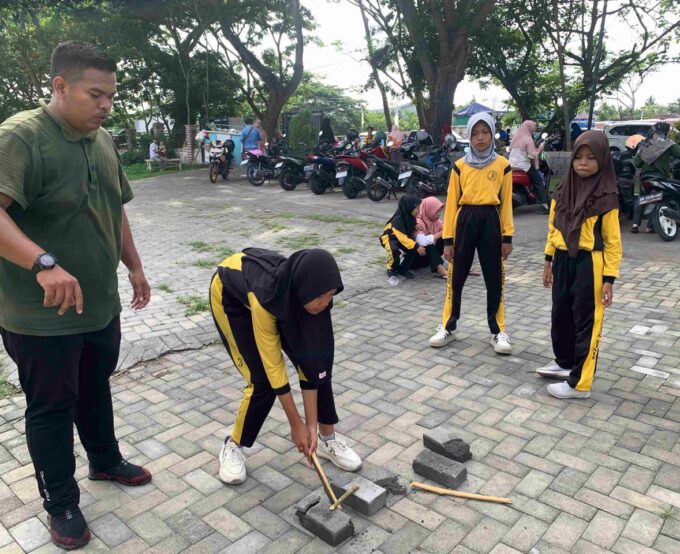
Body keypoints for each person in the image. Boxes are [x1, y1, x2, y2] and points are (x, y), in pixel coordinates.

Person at [0, 41, 151, 550]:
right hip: (39, 316)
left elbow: (116, 207)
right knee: (50, 408)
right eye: (95, 95)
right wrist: (42, 263)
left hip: (99, 304)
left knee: (96, 386)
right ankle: (60, 502)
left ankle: (105, 461)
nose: (106, 105)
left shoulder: (102, 140)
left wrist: (134, 266)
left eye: (111, 95)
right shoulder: (21, 138)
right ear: (60, 87)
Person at [210, 248, 362, 484]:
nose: (326, 302)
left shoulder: (317, 300)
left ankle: (326, 439)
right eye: (321, 296)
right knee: (262, 381)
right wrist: (296, 425)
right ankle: (232, 445)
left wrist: (311, 425)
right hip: (231, 296)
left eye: (331, 295)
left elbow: (312, 366)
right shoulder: (265, 298)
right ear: (305, 290)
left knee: (319, 366)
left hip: (287, 301)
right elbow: (274, 368)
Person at [537, 131, 622, 399]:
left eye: (591, 158)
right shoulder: (563, 190)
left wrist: (609, 278)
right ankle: (564, 363)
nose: (583, 163)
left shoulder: (606, 197)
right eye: (579, 157)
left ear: (603, 161)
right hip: (562, 259)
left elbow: (612, 241)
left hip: (590, 263)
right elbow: (553, 229)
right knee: (560, 316)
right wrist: (548, 259)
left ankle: (580, 384)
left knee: (587, 321)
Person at [429, 112, 514, 354]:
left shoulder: (503, 165)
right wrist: (448, 239)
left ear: (492, 134)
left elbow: (506, 204)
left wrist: (507, 237)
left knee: (494, 279)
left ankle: (498, 331)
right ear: (468, 136)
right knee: (456, 278)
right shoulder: (460, 166)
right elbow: (453, 203)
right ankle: (448, 326)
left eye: (485, 132)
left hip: (491, 221)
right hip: (464, 220)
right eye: (475, 133)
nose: (480, 138)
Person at [631, 122, 680, 233]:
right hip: (660, 177)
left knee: (641, 199)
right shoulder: (668, 143)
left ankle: (635, 225)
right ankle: (650, 226)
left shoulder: (645, 144)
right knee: (660, 198)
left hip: (644, 177)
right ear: (666, 131)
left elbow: (637, 163)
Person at [508, 120, 550, 213]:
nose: (534, 129)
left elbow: (510, 149)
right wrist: (541, 148)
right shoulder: (528, 139)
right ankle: (545, 205)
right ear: (529, 128)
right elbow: (532, 155)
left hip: (511, 164)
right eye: (533, 128)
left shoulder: (516, 137)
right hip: (523, 165)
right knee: (538, 181)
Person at [380, 195, 423, 282]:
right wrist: (417, 246)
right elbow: (402, 238)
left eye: (419, 208)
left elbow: (410, 224)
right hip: (389, 238)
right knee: (394, 251)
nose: (419, 211)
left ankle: (403, 268)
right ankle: (391, 268)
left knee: (411, 250)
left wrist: (415, 225)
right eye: (417, 208)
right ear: (409, 207)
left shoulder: (409, 215)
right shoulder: (398, 220)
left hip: (400, 238)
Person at [412, 196, 448, 279]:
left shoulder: (435, 221)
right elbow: (422, 242)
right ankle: (440, 270)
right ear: (428, 210)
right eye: (436, 211)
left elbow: (446, 230)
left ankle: (456, 263)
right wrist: (442, 232)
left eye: (440, 211)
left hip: (426, 259)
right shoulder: (418, 222)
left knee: (448, 238)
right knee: (428, 243)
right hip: (414, 259)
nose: (439, 214)